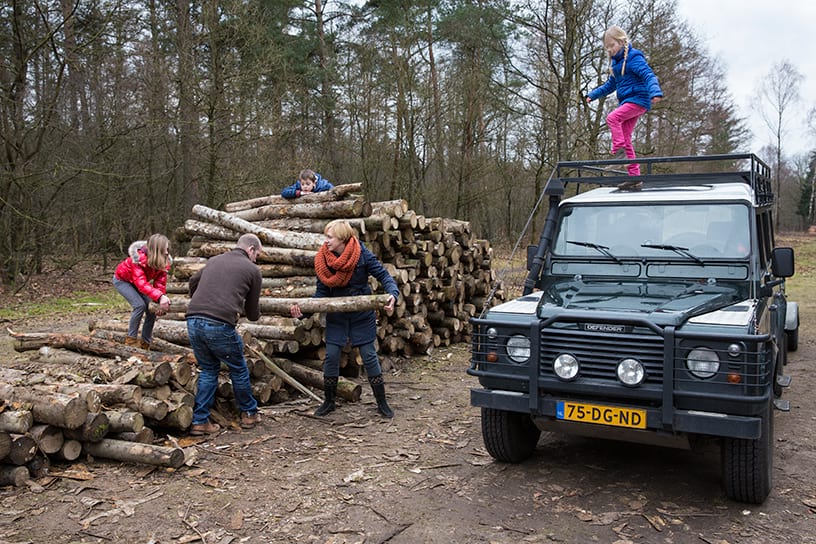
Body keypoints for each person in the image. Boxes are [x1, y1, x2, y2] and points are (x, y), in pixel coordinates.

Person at [290, 219, 399, 418]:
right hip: (337, 314)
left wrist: (392, 293)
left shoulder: (362, 254)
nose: (326, 241)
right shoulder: (323, 259)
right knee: (331, 356)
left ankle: (382, 403)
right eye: (326, 237)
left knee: (368, 355)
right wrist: (304, 312)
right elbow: (321, 294)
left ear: (342, 238)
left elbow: (384, 275)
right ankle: (329, 401)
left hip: (361, 314)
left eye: (330, 237)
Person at [186, 233, 264, 435]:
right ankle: (249, 413)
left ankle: (200, 421)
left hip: (193, 319)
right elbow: (253, 312)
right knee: (238, 368)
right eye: (257, 254)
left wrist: (200, 300)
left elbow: (194, 280)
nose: (256, 258)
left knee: (209, 369)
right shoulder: (252, 270)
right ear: (251, 249)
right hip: (219, 324)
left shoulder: (214, 260)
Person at [586, 25, 663, 184]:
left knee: (612, 118)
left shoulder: (634, 58)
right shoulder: (616, 65)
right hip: (629, 101)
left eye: (612, 46)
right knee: (626, 136)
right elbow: (609, 86)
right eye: (607, 48)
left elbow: (648, 75)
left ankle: (619, 152)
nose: (610, 50)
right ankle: (635, 178)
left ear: (622, 41)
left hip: (639, 99)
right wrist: (592, 95)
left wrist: (655, 92)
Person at [113, 234, 172, 350]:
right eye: (164, 249)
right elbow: (141, 284)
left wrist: (158, 303)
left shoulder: (164, 262)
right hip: (122, 281)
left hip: (138, 283)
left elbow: (159, 284)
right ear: (156, 249)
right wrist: (160, 297)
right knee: (139, 305)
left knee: (151, 309)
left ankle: (145, 343)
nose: (167, 252)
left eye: (167, 249)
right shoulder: (138, 259)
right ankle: (130, 341)